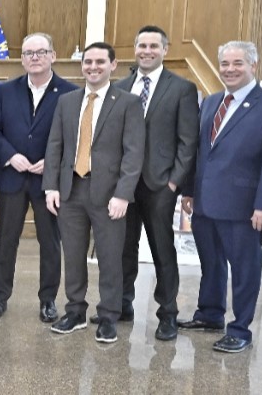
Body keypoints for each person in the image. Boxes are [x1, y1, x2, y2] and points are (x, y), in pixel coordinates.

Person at [178, 40, 262, 353]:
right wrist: (189, 189)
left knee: (245, 269)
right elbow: (198, 151)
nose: (229, 69)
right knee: (211, 263)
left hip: (244, 207)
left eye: (237, 63)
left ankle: (240, 329)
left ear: (253, 65)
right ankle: (210, 314)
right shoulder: (211, 102)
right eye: (225, 64)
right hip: (204, 202)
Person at [43, 42, 145, 345]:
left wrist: (123, 194)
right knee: (73, 256)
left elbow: (133, 153)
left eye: (100, 62)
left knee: (110, 258)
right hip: (71, 190)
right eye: (88, 62)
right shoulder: (67, 101)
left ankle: (109, 316)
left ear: (113, 65)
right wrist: (51, 186)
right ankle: (75, 311)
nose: (93, 67)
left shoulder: (127, 103)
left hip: (109, 194)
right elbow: (55, 146)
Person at [111, 25, 198, 341]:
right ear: (134, 48)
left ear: (165, 49)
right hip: (124, 185)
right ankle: (122, 304)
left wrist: (174, 182)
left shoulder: (182, 89)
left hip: (160, 184)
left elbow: (188, 141)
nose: (146, 51)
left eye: (153, 46)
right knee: (123, 247)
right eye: (142, 45)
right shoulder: (119, 87)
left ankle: (168, 314)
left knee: (162, 250)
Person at [0, 32, 77, 322]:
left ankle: (48, 300)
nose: (34, 58)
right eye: (28, 53)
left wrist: (52, 161)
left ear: (53, 56)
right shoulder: (5, 91)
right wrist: (11, 156)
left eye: (40, 52)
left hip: (49, 183)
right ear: (22, 59)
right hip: (12, 178)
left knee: (50, 243)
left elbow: (76, 136)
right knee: (6, 241)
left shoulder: (70, 93)